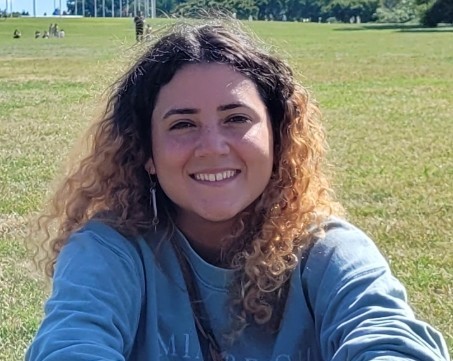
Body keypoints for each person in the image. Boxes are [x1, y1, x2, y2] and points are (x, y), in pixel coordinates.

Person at [25, 21, 450, 361]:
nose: (212, 147)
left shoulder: (328, 252)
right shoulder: (108, 251)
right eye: (182, 124)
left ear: (278, 138)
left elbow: (387, 337)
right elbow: (71, 343)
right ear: (146, 152)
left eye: (236, 119)